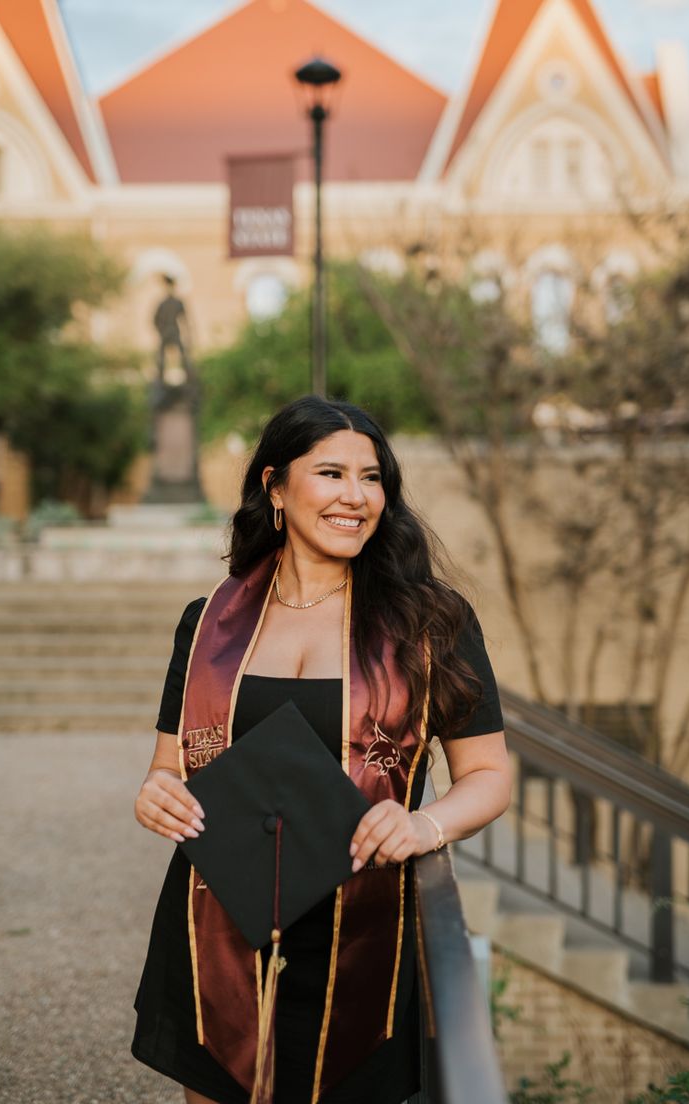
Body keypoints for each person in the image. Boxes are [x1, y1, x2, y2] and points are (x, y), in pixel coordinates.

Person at [132, 395, 511, 1104]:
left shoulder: (430, 624)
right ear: (275, 487)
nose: (356, 496)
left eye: (372, 478)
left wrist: (426, 824)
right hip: (220, 924)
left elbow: (488, 774)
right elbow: (170, 766)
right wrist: (156, 796)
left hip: (363, 929)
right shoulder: (210, 622)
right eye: (331, 473)